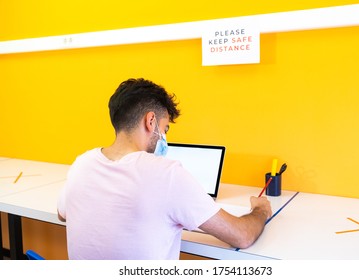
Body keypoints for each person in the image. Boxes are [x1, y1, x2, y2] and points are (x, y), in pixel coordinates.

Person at [57, 78, 272, 260]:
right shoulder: (165, 173)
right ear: (150, 121)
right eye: (165, 128)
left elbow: (62, 213)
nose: (165, 137)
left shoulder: (82, 164)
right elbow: (241, 236)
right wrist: (260, 210)